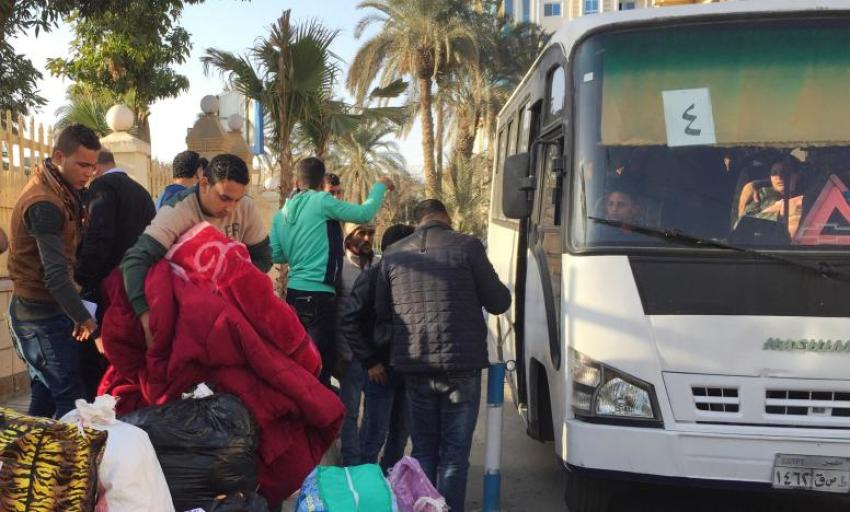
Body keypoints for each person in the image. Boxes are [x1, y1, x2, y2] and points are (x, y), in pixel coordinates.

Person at [375, 199, 511, 512]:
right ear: (446, 218)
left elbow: (382, 311)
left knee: (423, 448)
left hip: (415, 365)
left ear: (417, 220)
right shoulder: (468, 247)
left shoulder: (393, 254)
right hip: (461, 366)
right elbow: (499, 301)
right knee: (454, 454)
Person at [122, 153, 272, 347]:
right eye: (224, 198)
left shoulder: (246, 207)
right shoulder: (177, 211)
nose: (231, 209)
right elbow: (136, 260)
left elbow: (264, 258)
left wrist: (235, 284)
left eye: (237, 199)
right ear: (203, 183)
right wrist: (146, 318)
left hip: (233, 313)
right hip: (186, 317)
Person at [270, 156, 394, 386]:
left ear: (297, 181)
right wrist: (380, 186)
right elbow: (363, 214)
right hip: (319, 296)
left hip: (294, 294)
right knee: (319, 369)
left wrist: (300, 248)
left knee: (300, 362)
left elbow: (276, 254)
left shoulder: (281, 214)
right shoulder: (321, 201)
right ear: (321, 181)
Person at [6, 123, 100, 418]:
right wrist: (85, 320)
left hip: (44, 310)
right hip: (38, 315)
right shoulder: (44, 202)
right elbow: (56, 275)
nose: (89, 173)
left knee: (47, 395)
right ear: (59, 156)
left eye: (93, 166)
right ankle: (61, 464)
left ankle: (21, 462)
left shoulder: (57, 187)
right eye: (82, 164)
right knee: (71, 399)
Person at [75, 150, 156, 399]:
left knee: (94, 365)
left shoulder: (101, 189)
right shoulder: (141, 192)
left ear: (95, 167)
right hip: (135, 290)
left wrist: (80, 278)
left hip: (102, 292)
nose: (86, 175)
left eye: (88, 167)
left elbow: (97, 238)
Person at [340, 223, 415, 472]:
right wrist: (371, 361)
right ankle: (364, 483)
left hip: (406, 368)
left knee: (400, 432)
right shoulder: (373, 276)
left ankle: (390, 481)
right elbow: (350, 321)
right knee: (374, 434)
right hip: (380, 370)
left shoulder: (413, 277)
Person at [336, 223, 378, 466]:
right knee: (349, 412)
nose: (366, 238)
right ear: (349, 237)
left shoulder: (380, 266)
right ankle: (352, 464)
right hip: (348, 355)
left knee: (374, 414)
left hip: (376, 355)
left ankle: (367, 464)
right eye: (361, 233)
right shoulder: (338, 269)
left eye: (370, 233)